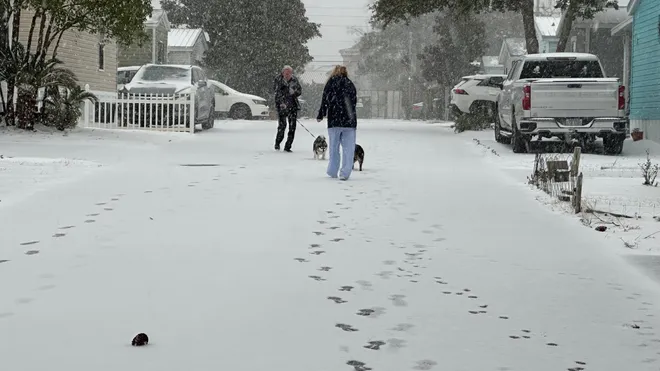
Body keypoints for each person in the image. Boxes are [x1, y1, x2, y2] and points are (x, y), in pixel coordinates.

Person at [316, 65, 357, 180]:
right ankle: (345, 173)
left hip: (334, 120)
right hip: (349, 121)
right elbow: (354, 101)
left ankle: (332, 171)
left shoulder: (330, 84)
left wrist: (321, 114)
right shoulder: (350, 84)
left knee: (334, 148)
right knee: (348, 149)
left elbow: (325, 100)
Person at [273, 65, 302, 152]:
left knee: (292, 127)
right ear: (282, 73)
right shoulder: (278, 80)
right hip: (282, 106)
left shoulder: (294, 80)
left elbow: (300, 91)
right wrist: (282, 103)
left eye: (289, 73)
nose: (287, 75)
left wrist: (294, 92)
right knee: (282, 126)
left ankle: (288, 146)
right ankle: (277, 143)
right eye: (286, 73)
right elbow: (277, 92)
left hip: (292, 106)